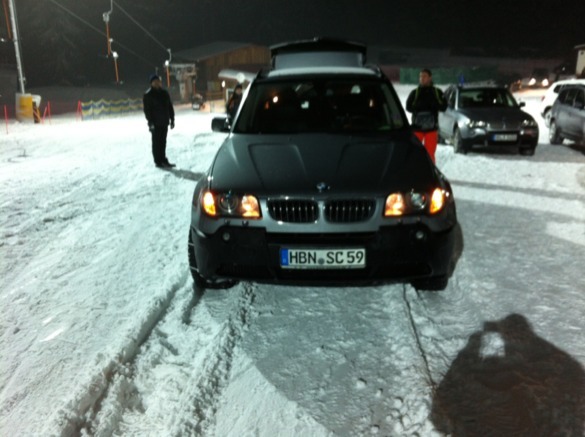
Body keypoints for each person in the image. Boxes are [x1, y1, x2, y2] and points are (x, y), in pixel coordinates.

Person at [406, 68, 447, 163]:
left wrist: (433, 106)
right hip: (417, 128)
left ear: (430, 78)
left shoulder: (437, 92)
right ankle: (415, 170)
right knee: (415, 153)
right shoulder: (415, 93)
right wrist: (419, 108)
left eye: (424, 76)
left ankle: (430, 170)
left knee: (430, 154)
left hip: (431, 129)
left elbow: (444, 107)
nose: (422, 78)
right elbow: (408, 107)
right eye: (420, 76)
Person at [143, 74, 175, 168]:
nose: (157, 83)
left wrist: (172, 119)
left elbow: (169, 107)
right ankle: (158, 161)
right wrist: (150, 122)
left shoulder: (164, 93)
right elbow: (147, 110)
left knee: (163, 142)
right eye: (155, 82)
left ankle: (163, 159)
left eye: (158, 81)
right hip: (155, 123)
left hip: (164, 121)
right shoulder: (148, 95)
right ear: (151, 83)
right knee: (156, 143)